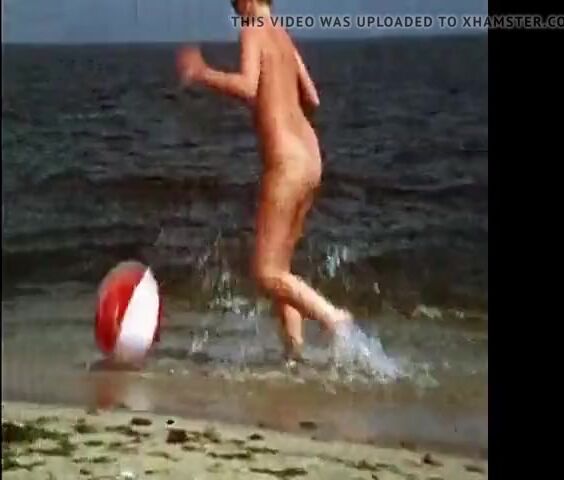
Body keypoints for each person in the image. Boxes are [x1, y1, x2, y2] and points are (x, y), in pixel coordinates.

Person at [177, 0, 352, 362]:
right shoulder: (283, 35)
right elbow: (312, 99)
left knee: (265, 271)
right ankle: (294, 355)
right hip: (311, 157)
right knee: (282, 271)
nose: (233, 9)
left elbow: (247, 87)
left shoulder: (253, 29)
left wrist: (202, 72)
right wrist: (283, 104)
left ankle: (332, 317)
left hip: (287, 161)